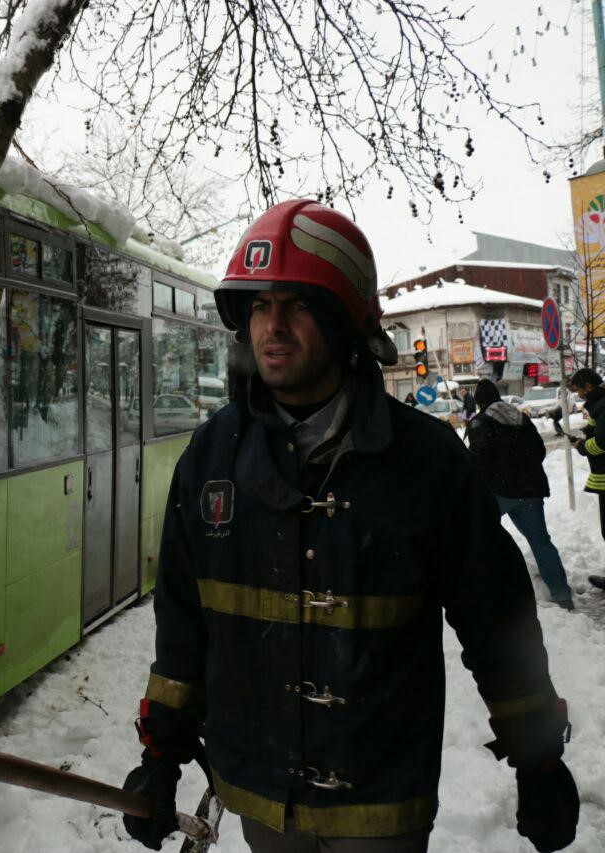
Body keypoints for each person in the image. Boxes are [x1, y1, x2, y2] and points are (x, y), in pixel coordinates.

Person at [122, 200, 577, 853]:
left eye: (297, 304)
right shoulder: (210, 458)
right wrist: (161, 751)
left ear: (344, 322)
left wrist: (538, 757)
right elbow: (184, 621)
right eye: (258, 306)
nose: (271, 326)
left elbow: (494, 614)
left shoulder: (425, 461)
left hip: (381, 802)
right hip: (260, 797)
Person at [466, 379, 574, 610]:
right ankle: (562, 595)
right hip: (531, 490)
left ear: (480, 403)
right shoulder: (522, 418)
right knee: (541, 542)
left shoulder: (480, 423)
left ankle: (487, 593)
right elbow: (540, 451)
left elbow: (477, 461)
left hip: (499, 493)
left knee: (480, 538)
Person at [568, 368, 605, 591]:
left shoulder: (602, 406)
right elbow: (596, 429)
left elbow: (601, 443)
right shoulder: (598, 405)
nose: (579, 394)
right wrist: (587, 430)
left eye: (579, 389)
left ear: (589, 387)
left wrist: (583, 447)